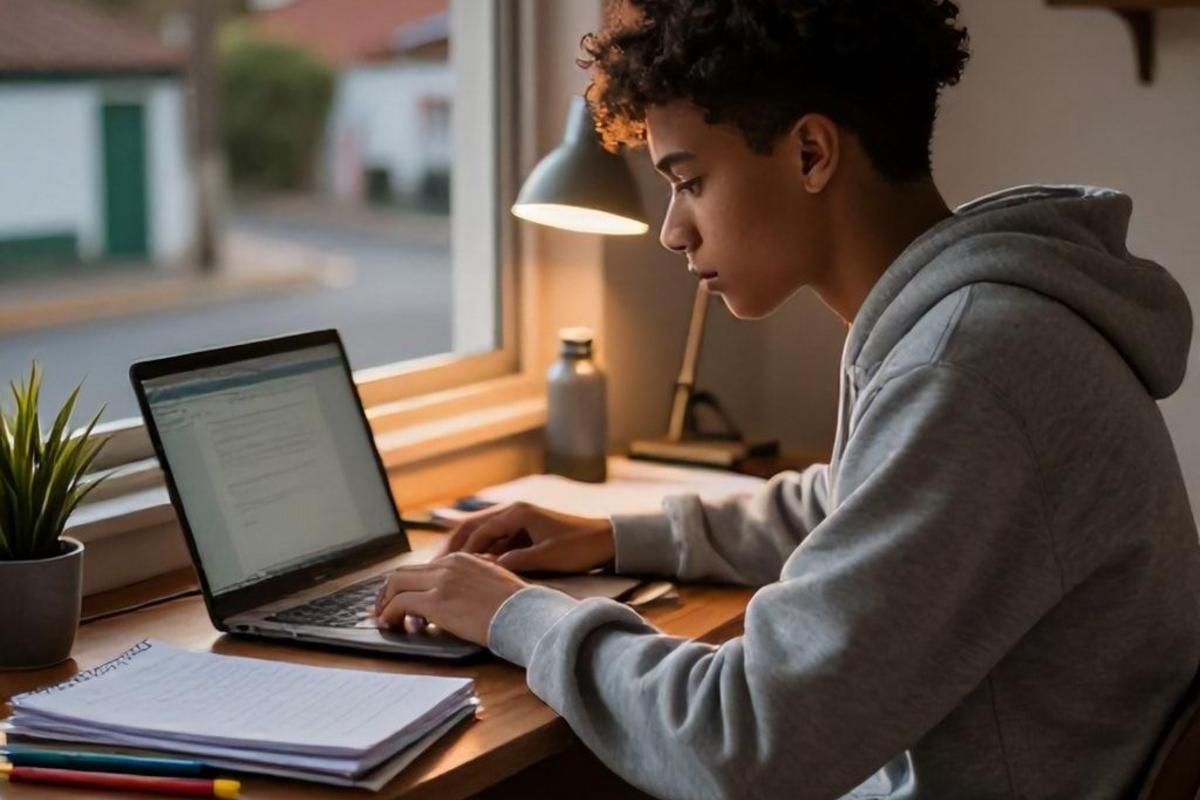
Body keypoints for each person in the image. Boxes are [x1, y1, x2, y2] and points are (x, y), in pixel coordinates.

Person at [373, 1, 1200, 797]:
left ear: (810, 153)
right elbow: (851, 502)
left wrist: (519, 617)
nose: (672, 230)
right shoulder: (974, 325)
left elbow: (746, 741)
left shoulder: (965, 368)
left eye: (688, 181)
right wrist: (613, 538)